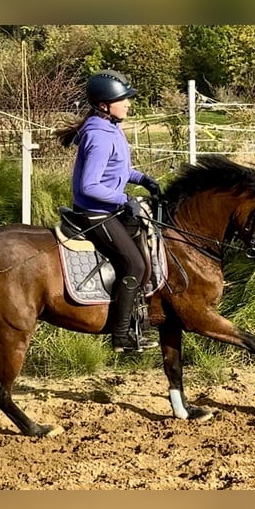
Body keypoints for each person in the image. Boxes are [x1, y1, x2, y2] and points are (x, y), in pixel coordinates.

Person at [56, 69, 161, 353]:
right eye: (123, 99)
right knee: (135, 265)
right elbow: (90, 186)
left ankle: (139, 316)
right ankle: (121, 334)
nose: (128, 104)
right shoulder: (100, 137)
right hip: (96, 212)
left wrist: (143, 180)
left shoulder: (111, 129)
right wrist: (124, 197)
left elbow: (119, 169)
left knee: (143, 240)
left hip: (109, 207)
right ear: (104, 105)